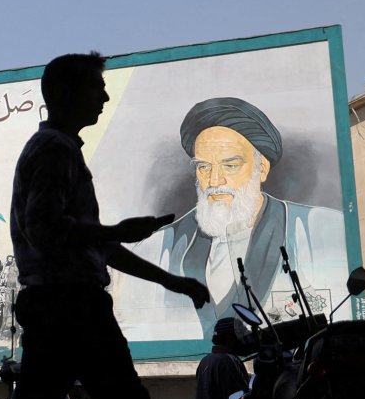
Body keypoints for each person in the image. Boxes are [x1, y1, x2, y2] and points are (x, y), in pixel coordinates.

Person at [0, 52, 210, 399]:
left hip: (60, 305)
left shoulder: (56, 149)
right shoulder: (55, 151)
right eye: (96, 87)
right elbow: (47, 228)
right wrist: (116, 231)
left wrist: (169, 279)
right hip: (71, 308)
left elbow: (89, 242)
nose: (104, 96)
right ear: (68, 93)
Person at [122, 96, 346, 337]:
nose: (214, 180)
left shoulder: (320, 230)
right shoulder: (157, 249)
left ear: (261, 169)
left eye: (230, 166)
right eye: (204, 167)